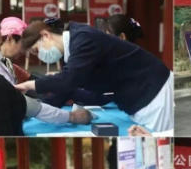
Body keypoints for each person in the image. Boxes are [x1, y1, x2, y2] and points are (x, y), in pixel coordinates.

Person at [16, 18, 173, 132]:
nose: (40, 56)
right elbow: (66, 88)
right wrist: (32, 109)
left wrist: (29, 85)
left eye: (36, 50)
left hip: (153, 92)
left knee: (157, 136)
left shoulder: (83, 39)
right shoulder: (71, 49)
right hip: (137, 97)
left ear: (45, 35)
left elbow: (67, 81)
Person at [0, 16, 91, 125]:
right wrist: (71, 117)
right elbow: (25, 103)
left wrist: (62, 83)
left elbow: (36, 83)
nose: (25, 50)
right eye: (23, 44)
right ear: (10, 38)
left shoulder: (7, 64)